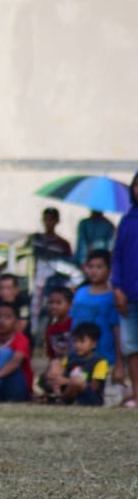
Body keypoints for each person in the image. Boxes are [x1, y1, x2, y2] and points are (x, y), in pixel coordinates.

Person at [70, 250, 121, 375]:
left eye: (99, 267)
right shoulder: (80, 293)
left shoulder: (113, 296)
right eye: (90, 267)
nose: (93, 271)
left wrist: (119, 363)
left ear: (109, 270)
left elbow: (117, 329)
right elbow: (72, 323)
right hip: (78, 358)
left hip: (105, 358)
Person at [112, 171, 138, 408]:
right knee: (132, 346)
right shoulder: (127, 221)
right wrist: (117, 287)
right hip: (129, 295)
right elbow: (117, 256)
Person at [40, 323, 108, 406]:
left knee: (78, 381)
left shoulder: (100, 362)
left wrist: (67, 381)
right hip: (69, 394)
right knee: (55, 364)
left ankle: (61, 400)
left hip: (89, 398)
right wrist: (51, 376)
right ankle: (56, 395)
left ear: (94, 344)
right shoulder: (71, 358)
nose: (78, 345)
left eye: (82, 341)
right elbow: (56, 374)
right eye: (75, 341)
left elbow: (94, 387)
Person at [28, 207, 73, 330]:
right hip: (36, 282)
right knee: (34, 312)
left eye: (51, 219)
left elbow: (68, 266)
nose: (48, 222)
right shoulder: (35, 239)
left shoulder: (63, 244)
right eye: (46, 219)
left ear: (57, 221)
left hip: (54, 284)